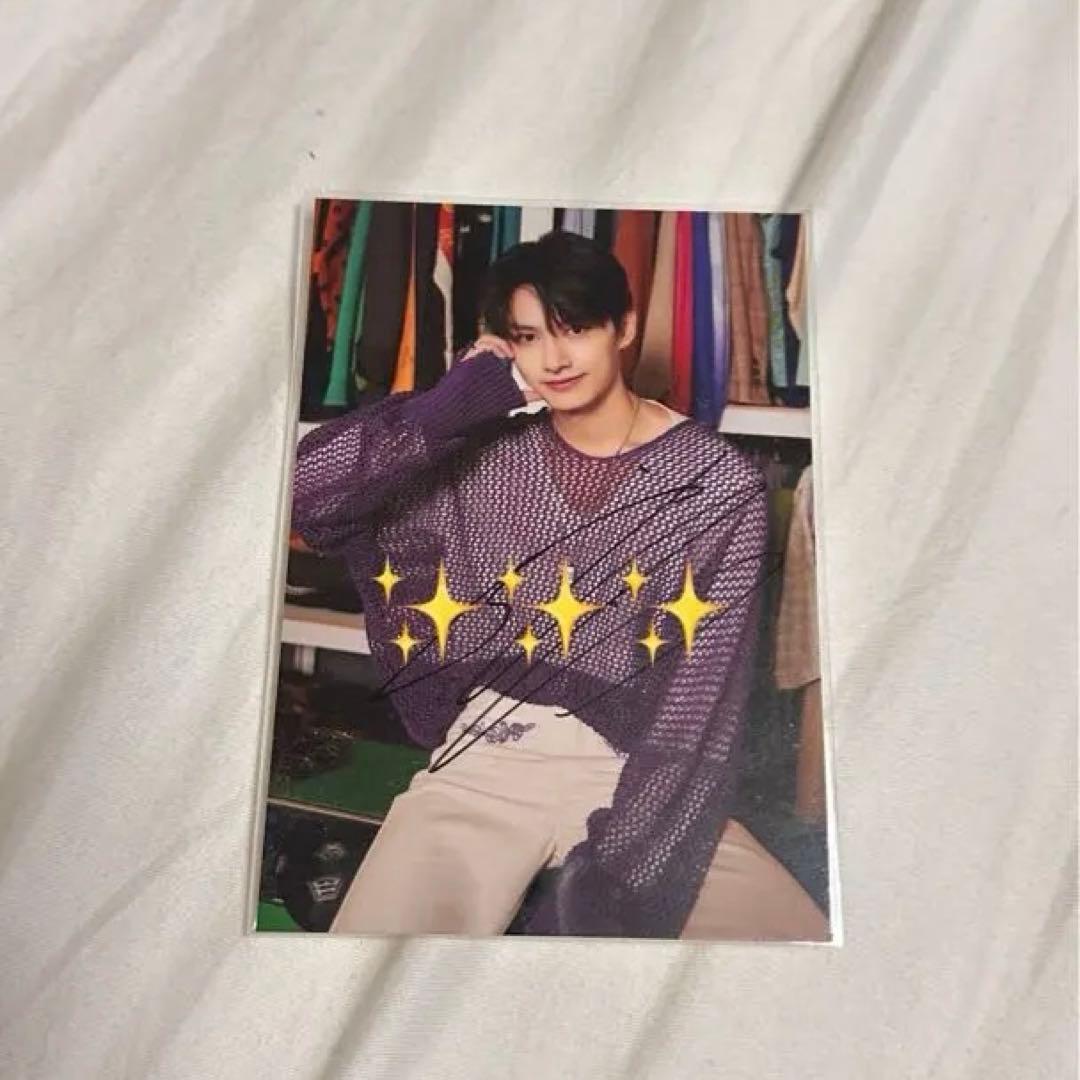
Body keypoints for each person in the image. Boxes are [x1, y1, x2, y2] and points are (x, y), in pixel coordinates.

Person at [290, 228, 828, 940]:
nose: (554, 358)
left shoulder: (715, 481)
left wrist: (621, 874)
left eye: (574, 329)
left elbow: (703, 698)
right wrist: (457, 401)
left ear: (625, 327)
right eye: (528, 336)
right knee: (365, 969)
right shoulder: (486, 453)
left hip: (640, 770)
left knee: (794, 944)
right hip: (486, 756)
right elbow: (309, 495)